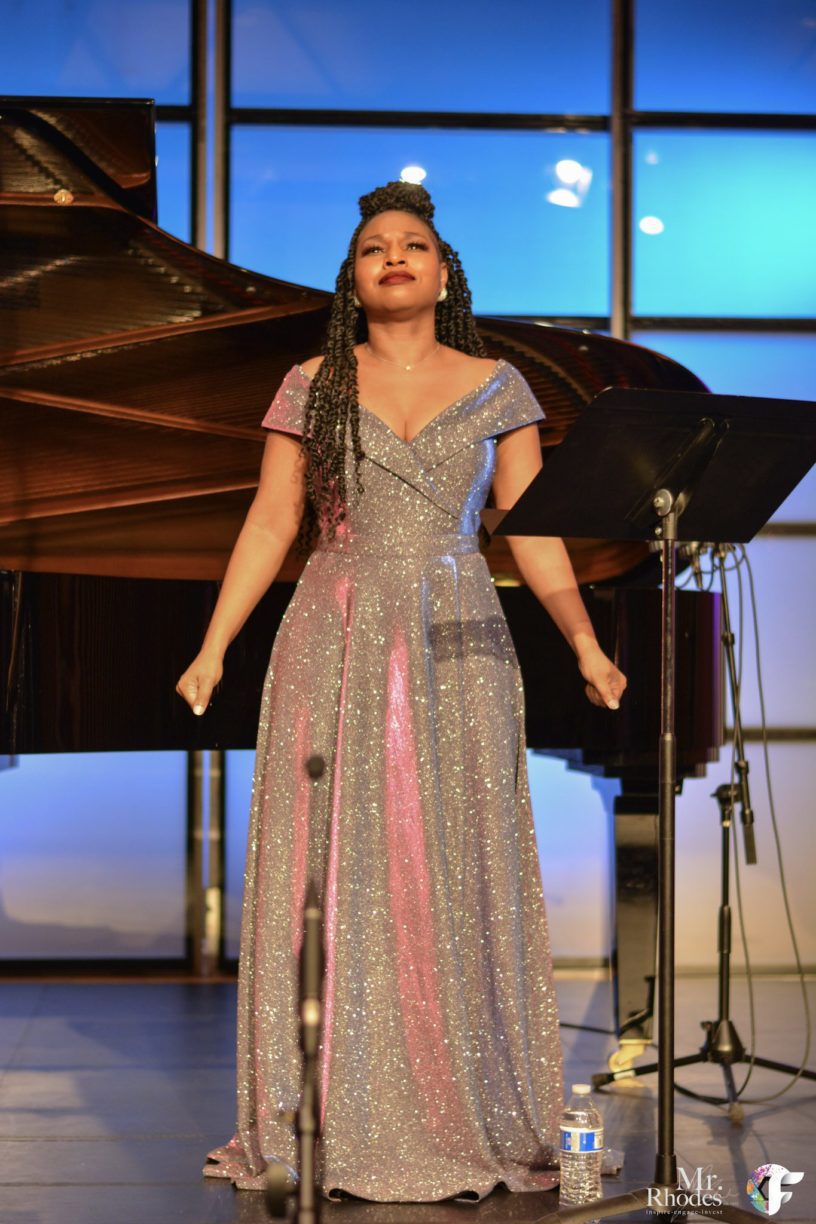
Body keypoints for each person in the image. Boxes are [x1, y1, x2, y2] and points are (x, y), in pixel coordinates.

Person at [176, 180, 627, 1203]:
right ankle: (330, 1111)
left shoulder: (503, 386)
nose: (393, 256)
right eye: (374, 246)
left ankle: (460, 1103)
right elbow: (270, 520)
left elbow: (533, 525)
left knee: (452, 865)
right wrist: (213, 645)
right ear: (352, 276)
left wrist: (586, 644)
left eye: (413, 245)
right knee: (331, 867)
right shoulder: (309, 385)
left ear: (442, 270)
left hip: (458, 628)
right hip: (333, 626)